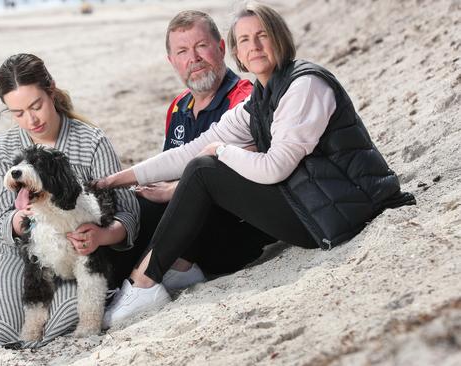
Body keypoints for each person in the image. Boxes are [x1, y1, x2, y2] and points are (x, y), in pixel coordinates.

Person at [98, 1, 416, 327]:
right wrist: (113, 181)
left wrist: (220, 150)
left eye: (262, 35)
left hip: (339, 214)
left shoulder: (305, 85)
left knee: (204, 170)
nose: (255, 46)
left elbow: (274, 167)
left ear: (279, 38)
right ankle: (135, 279)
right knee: (181, 174)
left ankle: (145, 281)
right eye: (246, 40)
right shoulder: (260, 98)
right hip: (311, 204)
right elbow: (187, 151)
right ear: (237, 50)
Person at [0, 53, 139, 361]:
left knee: (59, 323)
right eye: (18, 112)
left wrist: (101, 235)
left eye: (36, 106)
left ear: (52, 91)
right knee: (0, 323)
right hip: (16, 250)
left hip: (77, 256)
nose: (32, 120)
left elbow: (128, 210)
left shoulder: (92, 140)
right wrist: (21, 218)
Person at [131, 10, 275, 293]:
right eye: (182, 51)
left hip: (235, 228)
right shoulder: (177, 107)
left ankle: (159, 276)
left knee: (190, 188)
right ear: (172, 62)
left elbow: (249, 167)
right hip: (190, 226)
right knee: (138, 205)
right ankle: (125, 278)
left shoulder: (244, 96)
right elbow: (168, 169)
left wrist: (176, 189)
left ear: (221, 48)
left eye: (201, 46)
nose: (193, 58)